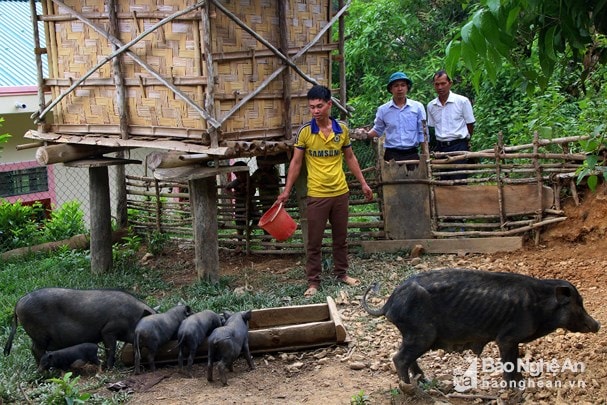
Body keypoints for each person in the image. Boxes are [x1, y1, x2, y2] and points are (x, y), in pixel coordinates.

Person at [276, 85, 373, 297]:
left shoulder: (342, 130)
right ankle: (313, 282)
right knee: (314, 241)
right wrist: (286, 190)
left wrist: (364, 183)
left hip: (340, 192)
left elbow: (350, 158)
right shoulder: (305, 133)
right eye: (311, 107)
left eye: (319, 106)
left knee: (341, 238)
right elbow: (296, 162)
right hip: (317, 194)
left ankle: (342, 274)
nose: (315, 111)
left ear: (329, 104)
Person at [357, 71, 427, 167]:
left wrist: (425, 154)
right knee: (392, 182)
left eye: (403, 85)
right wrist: (366, 135)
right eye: (396, 86)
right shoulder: (383, 110)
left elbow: (422, 132)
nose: (400, 89)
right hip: (392, 155)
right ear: (391, 89)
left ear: (407, 87)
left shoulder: (417, 107)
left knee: (414, 181)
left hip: (412, 154)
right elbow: (378, 129)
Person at [426, 70, 475, 180]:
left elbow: (470, 124)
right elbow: (432, 128)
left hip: (459, 145)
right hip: (441, 147)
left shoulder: (462, 101)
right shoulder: (431, 106)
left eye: (443, 83)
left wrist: (466, 140)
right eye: (437, 84)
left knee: (459, 178)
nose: (440, 87)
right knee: (444, 179)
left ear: (450, 83)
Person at [224, 161, 254, 245]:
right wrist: (233, 195)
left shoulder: (251, 180)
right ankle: (240, 243)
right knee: (239, 223)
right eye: (237, 175)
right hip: (239, 205)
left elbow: (253, 190)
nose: (239, 177)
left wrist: (248, 189)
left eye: (241, 174)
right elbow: (227, 188)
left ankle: (248, 233)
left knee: (256, 218)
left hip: (250, 204)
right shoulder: (236, 182)